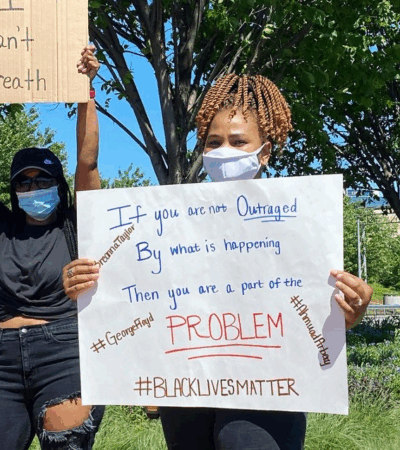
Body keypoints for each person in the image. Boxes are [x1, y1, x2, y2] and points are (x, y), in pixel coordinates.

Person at [64, 73, 373, 449]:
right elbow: (134, 290)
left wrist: (347, 311)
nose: (224, 150)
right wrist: (84, 282)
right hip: (187, 390)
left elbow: (313, 309)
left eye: (238, 141)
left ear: (265, 152)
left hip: (269, 390)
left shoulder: (302, 223)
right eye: (214, 142)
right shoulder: (166, 223)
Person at [0, 45, 104, 450]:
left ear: (59, 187)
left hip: (64, 354)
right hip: (2, 361)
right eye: (23, 182)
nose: (32, 188)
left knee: (66, 441)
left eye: (41, 180)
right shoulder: (4, 227)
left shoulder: (75, 225)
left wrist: (85, 92)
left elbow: (88, 162)